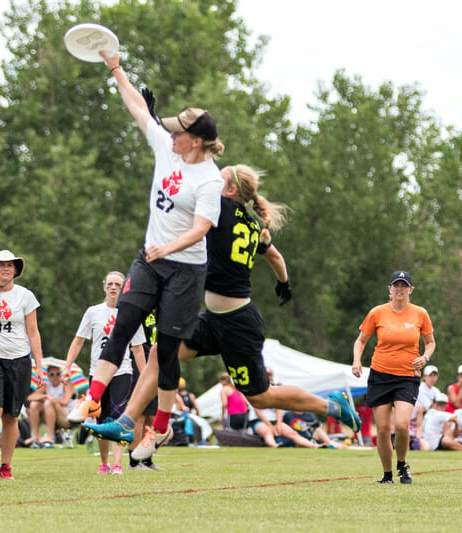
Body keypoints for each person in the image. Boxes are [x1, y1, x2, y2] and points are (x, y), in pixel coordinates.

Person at [87, 164, 360, 460]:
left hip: (238, 325)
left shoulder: (218, 208)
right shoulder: (252, 224)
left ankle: (333, 406)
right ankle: (127, 422)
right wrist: (284, 284)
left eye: (219, 178)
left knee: (261, 396)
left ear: (229, 190)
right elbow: (276, 256)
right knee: (159, 352)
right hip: (212, 319)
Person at [68, 50, 226, 462]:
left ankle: (159, 430)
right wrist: (115, 68)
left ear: (195, 141)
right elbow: (139, 108)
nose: (168, 133)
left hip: (186, 271)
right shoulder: (166, 148)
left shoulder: (208, 179)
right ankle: (92, 401)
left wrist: (167, 248)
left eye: (177, 131)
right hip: (151, 262)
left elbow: (201, 229)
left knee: (166, 351)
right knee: (121, 329)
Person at [352, 270, 435, 484]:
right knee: (381, 430)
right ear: (389, 289)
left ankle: (402, 464)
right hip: (380, 374)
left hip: (407, 376)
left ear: (410, 290)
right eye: (396, 285)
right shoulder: (377, 313)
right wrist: (357, 361)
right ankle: (387, 474)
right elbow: (361, 341)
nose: (399, 289)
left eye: (404, 285)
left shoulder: (420, 314)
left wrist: (425, 357)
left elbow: (430, 342)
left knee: (401, 424)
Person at [64, 271, 145, 475]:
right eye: (110, 284)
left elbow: (137, 348)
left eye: (118, 284)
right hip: (98, 373)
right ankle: (104, 463)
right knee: (101, 419)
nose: (113, 287)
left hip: (122, 371)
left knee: (118, 418)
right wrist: (67, 365)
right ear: (104, 287)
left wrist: (145, 375)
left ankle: (117, 464)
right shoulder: (93, 312)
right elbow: (79, 340)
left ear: (123, 287)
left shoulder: (131, 313)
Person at [0, 250, 43, 479]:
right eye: (1, 265)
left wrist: (39, 365)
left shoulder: (25, 296)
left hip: (19, 359)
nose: (5, 269)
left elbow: (33, 332)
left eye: (10, 265)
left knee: (11, 415)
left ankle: (6, 466)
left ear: (15, 270)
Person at [25, 365, 75, 448]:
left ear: (61, 375)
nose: (55, 376)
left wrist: (51, 399)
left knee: (48, 403)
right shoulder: (46, 386)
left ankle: (50, 436)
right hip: (50, 417)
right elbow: (30, 398)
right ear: (48, 376)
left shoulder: (66, 384)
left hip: (66, 417)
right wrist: (45, 396)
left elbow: (65, 402)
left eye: (57, 374)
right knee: (34, 404)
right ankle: (35, 436)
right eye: (52, 374)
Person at [411, 365, 441, 449]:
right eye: (430, 375)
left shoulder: (436, 390)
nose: (432, 378)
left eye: (434, 376)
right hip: (419, 418)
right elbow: (428, 407)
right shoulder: (420, 388)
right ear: (424, 377)